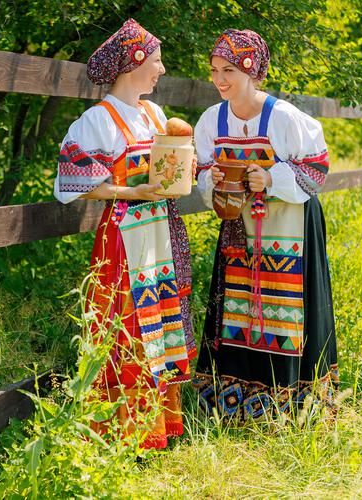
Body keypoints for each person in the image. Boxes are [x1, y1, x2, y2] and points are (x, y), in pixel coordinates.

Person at [55, 19, 196, 448]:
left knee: (160, 324)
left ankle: (155, 426)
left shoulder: (154, 114)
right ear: (134, 62)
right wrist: (128, 190)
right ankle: (118, 431)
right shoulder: (98, 119)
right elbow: (72, 184)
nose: (162, 69)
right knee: (127, 327)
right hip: (124, 236)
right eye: (156, 60)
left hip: (160, 231)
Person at [193, 29, 338, 422]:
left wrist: (272, 178)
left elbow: (316, 169)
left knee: (283, 307)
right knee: (239, 308)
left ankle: (293, 404)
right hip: (240, 229)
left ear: (251, 71)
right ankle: (231, 402)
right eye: (214, 71)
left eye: (228, 70)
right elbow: (203, 171)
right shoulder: (212, 120)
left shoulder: (285, 117)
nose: (219, 79)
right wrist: (215, 183)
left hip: (289, 226)